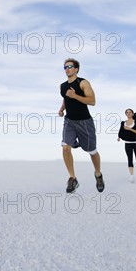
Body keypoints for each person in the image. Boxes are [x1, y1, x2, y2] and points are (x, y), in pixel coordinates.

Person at [58, 58, 105, 193]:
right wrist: (62, 109)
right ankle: (73, 178)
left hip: (85, 123)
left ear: (76, 69)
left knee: (92, 151)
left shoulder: (83, 83)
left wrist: (75, 96)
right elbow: (66, 98)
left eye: (70, 66)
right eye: (65, 67)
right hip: (69, 122)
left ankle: (98, 174)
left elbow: (92, 101)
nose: (67, 69)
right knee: (65, 147)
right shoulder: (62, 86)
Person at [118, 109, 136, 182]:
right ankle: (132, 176)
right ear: (125, 114)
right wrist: (119, 137)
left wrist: (129, 129)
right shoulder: (123, 123)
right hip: (128, 143)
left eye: (130, 112)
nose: (128, 113)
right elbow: (121, 131)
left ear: (132, 114)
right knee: (130, 159)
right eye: (127, 112)